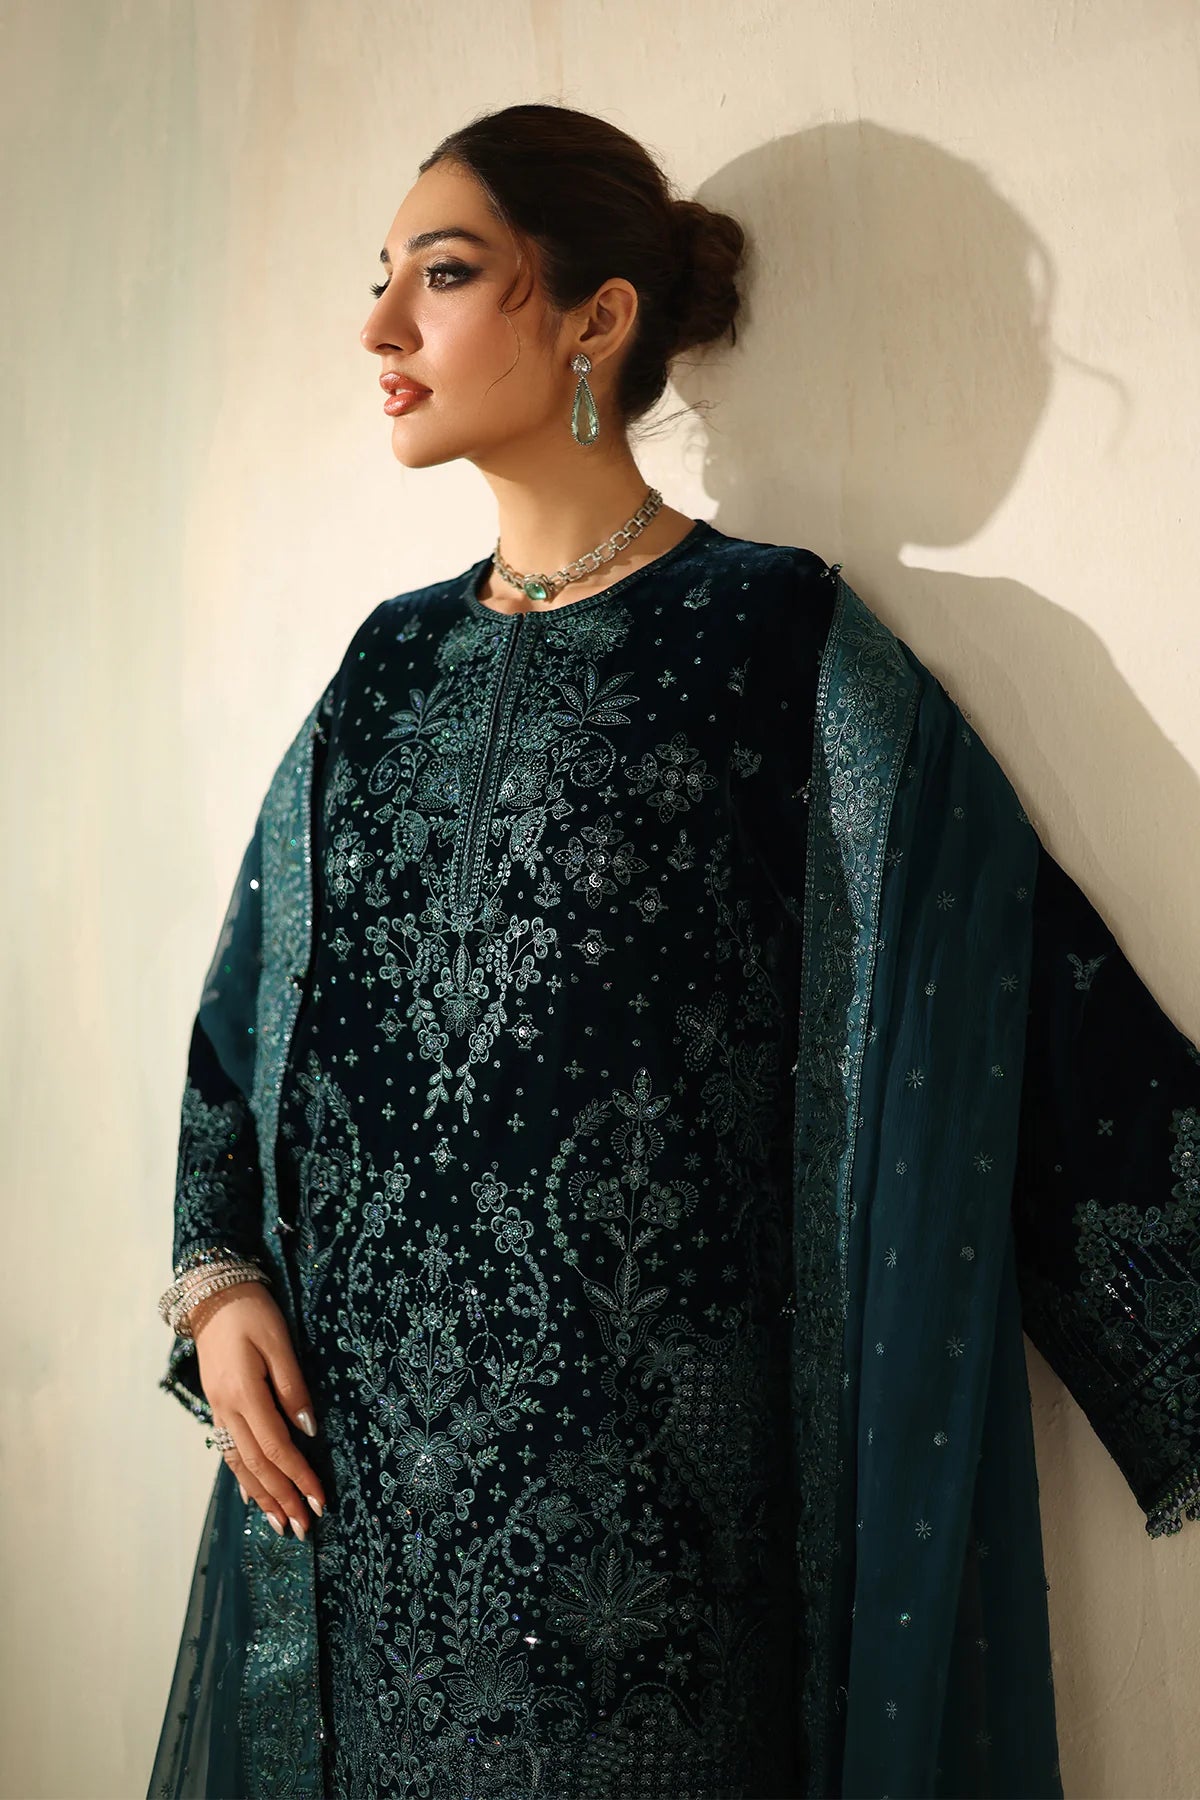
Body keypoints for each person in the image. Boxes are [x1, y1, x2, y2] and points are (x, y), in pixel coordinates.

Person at [147, 103, 1200, 1800]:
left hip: (650, 1551)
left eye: (443, 275)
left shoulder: (775, 642)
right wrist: (219, 1285)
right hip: (364, 1522)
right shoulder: (381, 674)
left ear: (597, 315)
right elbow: (246, 1031)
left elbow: (1002, 994)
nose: (380, 327)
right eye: (379, 278)